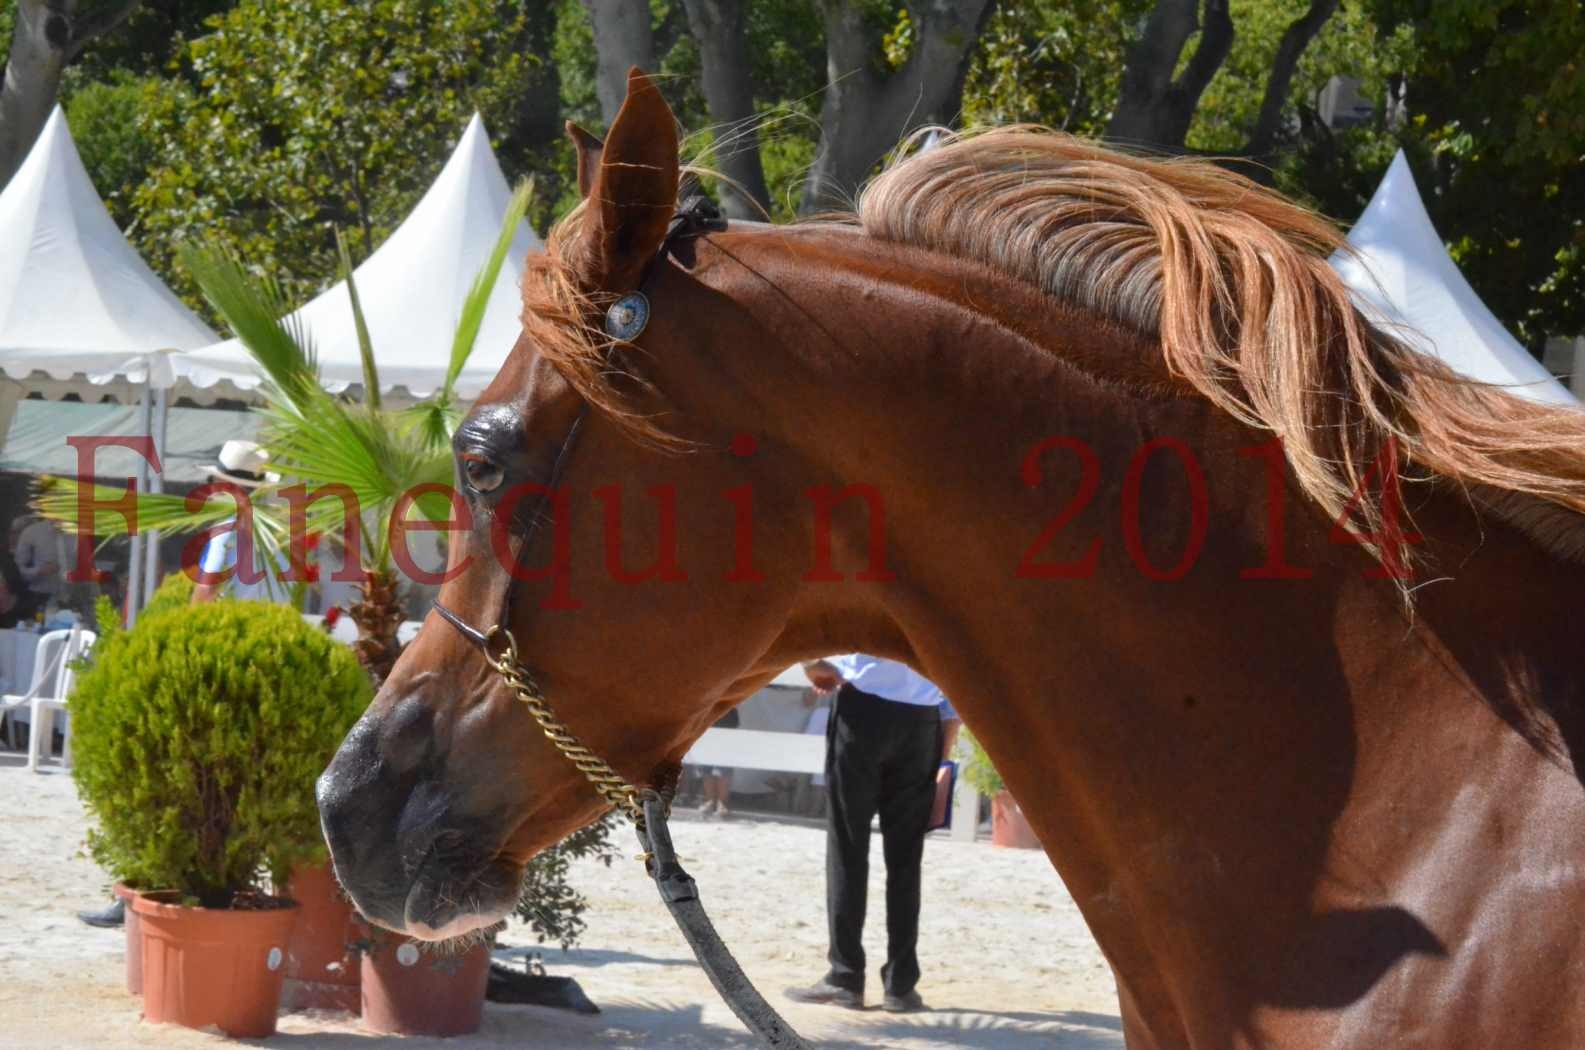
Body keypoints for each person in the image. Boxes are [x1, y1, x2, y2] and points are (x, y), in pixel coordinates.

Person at [785, 654, 962, 1013]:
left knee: (848, 849)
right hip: (922, 721)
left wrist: (811, 664)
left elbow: (818, 657)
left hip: (863, 710)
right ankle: (901, 984)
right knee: (906, 860)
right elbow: (954, 691)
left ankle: (846, 976)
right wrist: (940, 751)